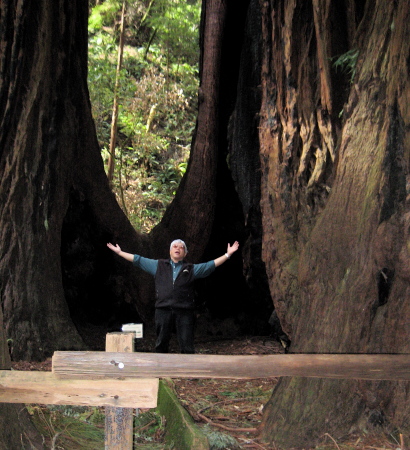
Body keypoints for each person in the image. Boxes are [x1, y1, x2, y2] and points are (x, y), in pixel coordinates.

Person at [107, 239, 240, 353]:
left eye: (181, 247)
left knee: (186, 342)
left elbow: (210, 265)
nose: (178, 249)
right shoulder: (158, 265)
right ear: (170, 251)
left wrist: (228, 254)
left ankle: (187, 372)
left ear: (185, 253)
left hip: (184, 311)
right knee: (161, 342)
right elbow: (138, 260)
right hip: (163, 310)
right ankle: (161, 371)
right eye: (175, 247)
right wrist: (119, 252)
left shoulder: (191, 268)